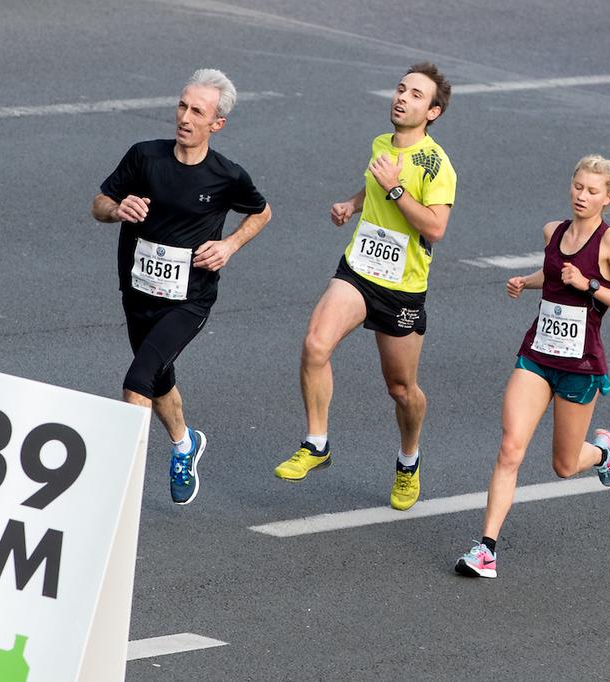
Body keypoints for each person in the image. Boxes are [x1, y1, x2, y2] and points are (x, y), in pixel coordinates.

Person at [455, 155, 610, 578]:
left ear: (609, 197)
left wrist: (592, 286)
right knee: (510, 447)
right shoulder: (554, 231)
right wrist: (526, 282)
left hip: (581, 366)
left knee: (563, 466)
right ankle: (486, 549)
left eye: (592, 191)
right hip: (537, 355)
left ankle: (601, 453)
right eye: (578, 186)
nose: (582, 195)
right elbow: (555, 273)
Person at [272, 62, 456, 511]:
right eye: (400, 89)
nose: (402, 98)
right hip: (359, 269)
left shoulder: (437, 165)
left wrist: (395, 191)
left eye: (415, 95)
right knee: (316, 345)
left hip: (402, 290)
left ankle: (408, 460)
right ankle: (317, 443)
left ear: (432, 112)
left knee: (401, 389)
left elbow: (435, 228)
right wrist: (352, 205)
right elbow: (375, 184)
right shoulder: (381, 144)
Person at [91, 68, 271, 505]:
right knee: (160, 376)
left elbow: (262, 212)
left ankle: (120, 494)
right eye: (182, 105)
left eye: (198, 111)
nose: (185, 117)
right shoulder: (144, 157)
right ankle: (185, 443)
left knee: (137, 382)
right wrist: (117, 210)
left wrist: (229, 245)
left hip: (188, 300)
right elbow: (98, 204)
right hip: (137, 291)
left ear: (217, 123)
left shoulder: (226, 176)